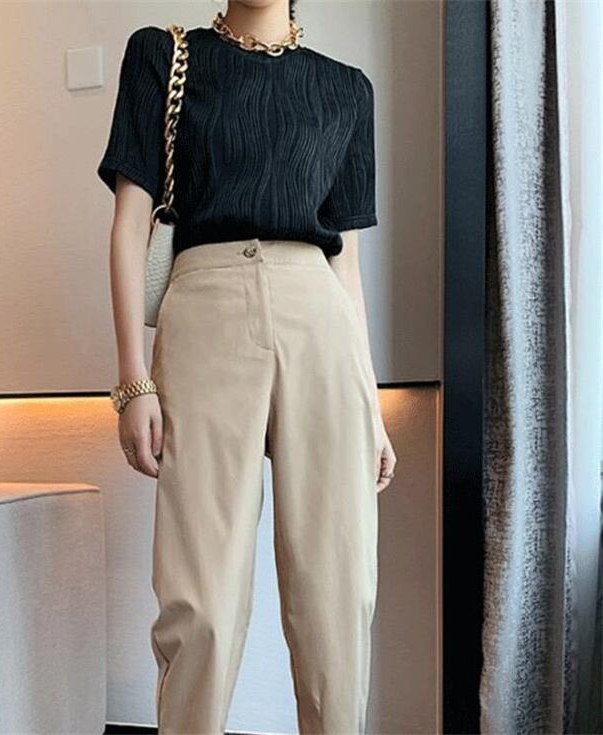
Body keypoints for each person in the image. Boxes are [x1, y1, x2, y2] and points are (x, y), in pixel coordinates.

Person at [96, 1, 397, 732]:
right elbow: (130, 226)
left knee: (339, 592)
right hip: (206, 308)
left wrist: (370, 404)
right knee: (200, 599)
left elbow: (347, 266)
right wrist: (133, 379)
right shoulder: (163, 55)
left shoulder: (347, 88)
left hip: (320, 319)